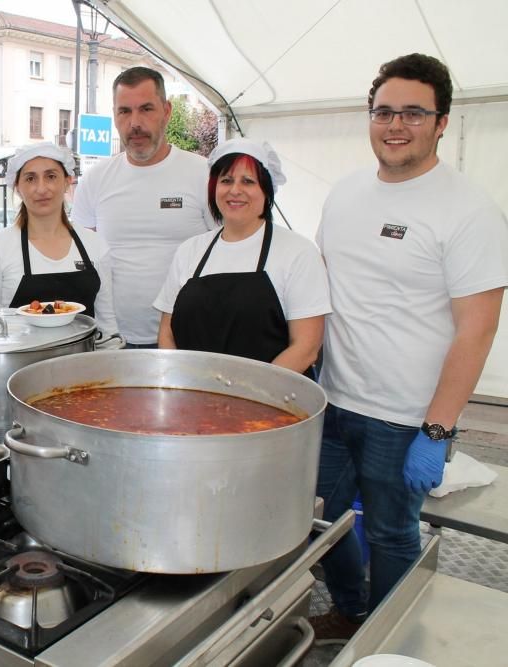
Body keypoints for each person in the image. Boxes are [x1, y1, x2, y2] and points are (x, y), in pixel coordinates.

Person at [312, 53, 508, 642]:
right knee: (315, 521)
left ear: (442, 121)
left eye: (414, 113)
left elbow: (477, 328)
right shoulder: (344, 194)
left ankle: (389, 641)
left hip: (406, 418)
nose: (396, 125)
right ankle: (350, 609)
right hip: (333, 401)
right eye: (384, 112)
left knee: (396, 533)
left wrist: (439, 431)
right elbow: (324, 289)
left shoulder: (468, 210)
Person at [153, 138, 330, 376]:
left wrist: (244, 396)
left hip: (269, 401)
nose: (235, 190)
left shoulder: (298, 252)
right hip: (192, 399)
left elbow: (306, 347)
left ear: (267, 190)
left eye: (248, 181)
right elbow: (167, 332)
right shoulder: (190, 250)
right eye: (226, 180)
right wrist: (184, 384)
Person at [71, 66, 214, 347]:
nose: (135, 122)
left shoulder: (204, 174)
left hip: (187, 337)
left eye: (146, 109)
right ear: (114, 116)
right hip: (110, 339)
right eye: (124, 111)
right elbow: (81, 259)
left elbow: (228, 253)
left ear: (167, 111)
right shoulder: (95, 179)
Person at [0, 142, 118, 334]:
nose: (41, 189)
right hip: (19, 363)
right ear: (17, 187)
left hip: (83, 362)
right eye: (30, 178)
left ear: (67, 181)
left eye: (51, 176)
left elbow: (107, 326)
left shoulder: (95, 245)